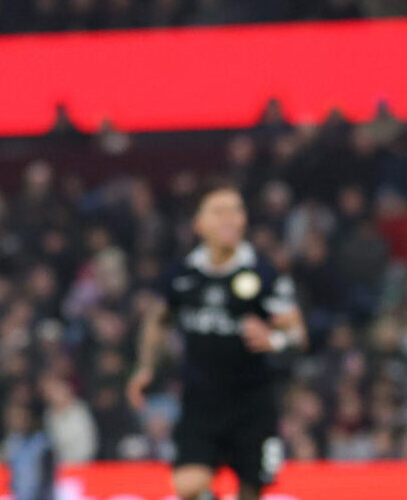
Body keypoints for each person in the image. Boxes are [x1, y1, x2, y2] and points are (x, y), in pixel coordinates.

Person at [127, 186, 306, 500]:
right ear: (198, 223)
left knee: (251, 492)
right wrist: (145, 367)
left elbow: (298, 335)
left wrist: (274, 339)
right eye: (219, 211)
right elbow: (157, 320)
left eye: (236, 210)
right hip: (200, 402)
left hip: (252, 404)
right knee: (187, 486)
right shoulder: (182, 275)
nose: (230, 219)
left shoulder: (263, 274)